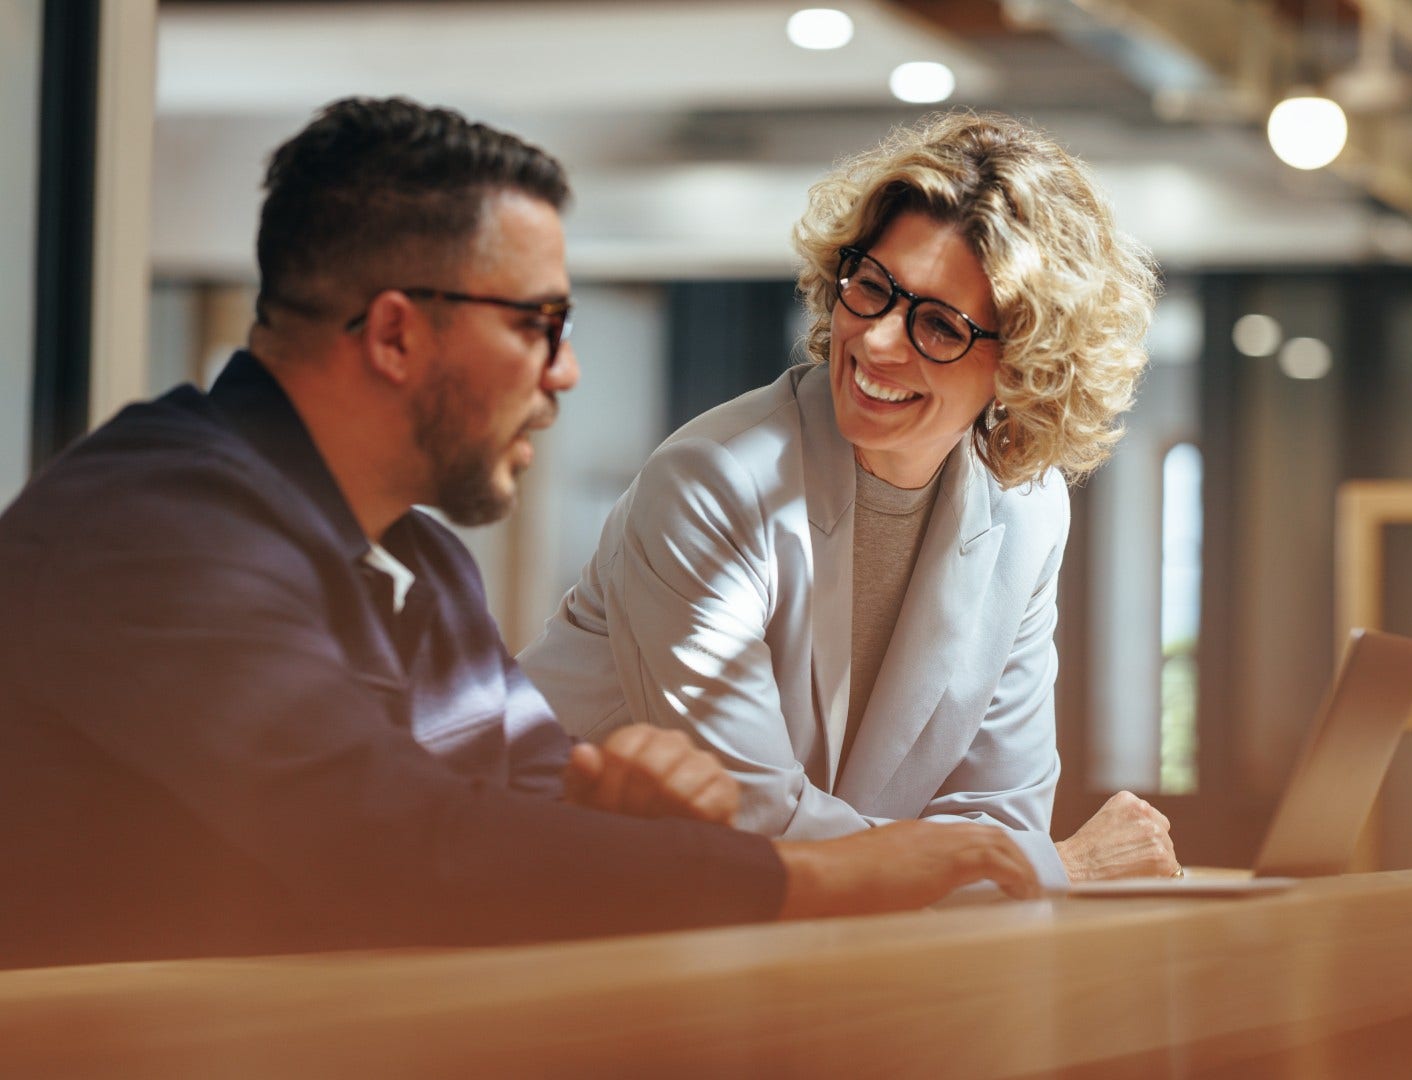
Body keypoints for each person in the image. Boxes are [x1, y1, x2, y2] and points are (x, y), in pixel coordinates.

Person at [0, 97, 1037, 971]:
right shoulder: (152, 534)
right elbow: (404, 855)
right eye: (538, 324)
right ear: (400, 332)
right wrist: (832, 872)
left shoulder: (423, 562)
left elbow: (518, 808)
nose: (565, 372)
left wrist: (619, 814)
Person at [520, 111, 1177, 887]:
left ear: (1024, 366)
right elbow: (757, 821)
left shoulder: (1026, 509)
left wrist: (1007, 860)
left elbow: (998, 807)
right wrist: (1055, 866)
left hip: (785, 933)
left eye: (937, 324)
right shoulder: (713, 480)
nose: (876, 340)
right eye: (870, 287)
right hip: (549, 905)